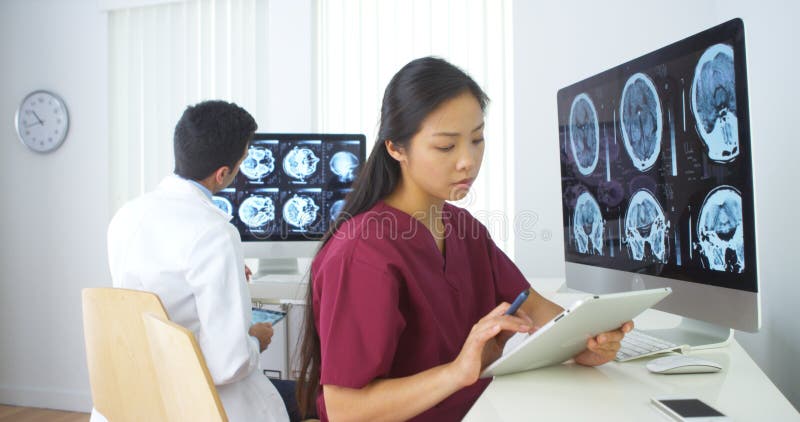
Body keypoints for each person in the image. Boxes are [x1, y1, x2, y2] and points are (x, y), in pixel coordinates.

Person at [295, 57, 634, 421]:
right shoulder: (361, 254)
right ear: (395, 148)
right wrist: (458, 372)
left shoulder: (463, 228)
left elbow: (533, 309)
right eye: (446, 147)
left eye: (477, 139)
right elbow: (346, 411)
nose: (468, 162)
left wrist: (588, 341)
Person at [103, 101, 291, 422]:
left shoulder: (127, 215)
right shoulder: (215, 233)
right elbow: (228, 364)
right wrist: (255, 340)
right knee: (312, 396)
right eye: (243, 160)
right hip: (198, 403)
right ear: (222, 174)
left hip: (136, 396)